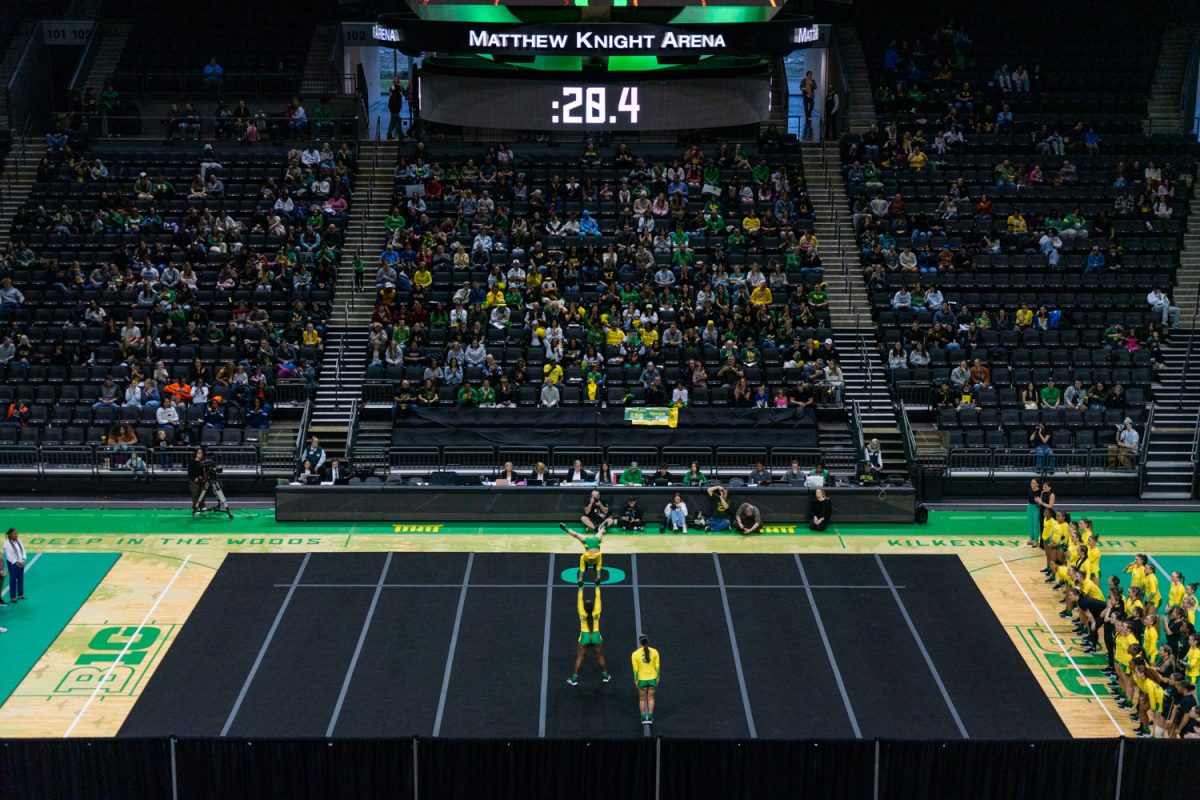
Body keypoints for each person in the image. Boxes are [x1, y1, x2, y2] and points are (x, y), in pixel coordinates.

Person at [568, 581, 610, 686]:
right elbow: (598, 597)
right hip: (596, 636)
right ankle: (606, 676)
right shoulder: (597, 611)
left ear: (584, 607)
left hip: (584, 637)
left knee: (580, 658)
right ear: (593, 607)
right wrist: (597, 586)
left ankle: (573, 679)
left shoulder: (581, 612)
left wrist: (581, 587)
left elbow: (579, 599)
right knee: (600, 657)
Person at [632, 634, 661, 725]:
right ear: (647, 641)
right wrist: (658, 678)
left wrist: (636, 680)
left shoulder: (635, 654)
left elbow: (635, 670)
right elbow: (657, 667)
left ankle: (644, 718)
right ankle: (651, 717)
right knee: (651, 698)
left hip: (642, 680)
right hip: (652, 679)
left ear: (640, 642)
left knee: (642, 699)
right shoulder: (655, 652)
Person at [4, 528, 27, 603]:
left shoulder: (18, 541)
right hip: (12, 564)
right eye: (15, 534)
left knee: (21, 578)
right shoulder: (6, 544)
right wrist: (18, 562)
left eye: (17, 533)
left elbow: (23, 549)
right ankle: (13, 597)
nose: (17, 535)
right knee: (13, 579)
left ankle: (21, 594)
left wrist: (23, 559)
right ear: (10, 534)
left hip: (21, 562)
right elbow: (9, 556)